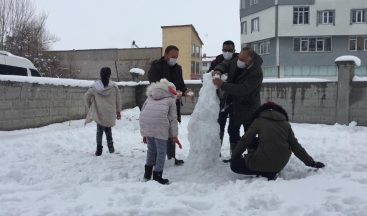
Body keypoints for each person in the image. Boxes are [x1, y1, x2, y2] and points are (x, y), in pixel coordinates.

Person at [230, 102, 325, 180]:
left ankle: (264, 172)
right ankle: (269, 170)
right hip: (279, 165)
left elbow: (245, 141)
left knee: (234, 165)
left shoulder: (259, 121)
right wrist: (312, 163)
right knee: (259, 141)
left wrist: (234, 156)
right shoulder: (286, 124)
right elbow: (296, 146)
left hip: (262, 164)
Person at [212, 47, 263, 159]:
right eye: (239, 57)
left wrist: (222, 84)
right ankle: (235, 157)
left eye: (243, 59)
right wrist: (218, 70)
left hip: (249, 107)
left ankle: (252, 158)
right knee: (233, 130)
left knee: (250, 133)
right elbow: (225, 64)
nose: (239, 61)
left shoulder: (256, 72)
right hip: (235, 105)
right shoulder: (237, 61)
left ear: (251, 59)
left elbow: (243, 89)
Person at [148, 45, 194, 166]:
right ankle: (157, 158)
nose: (175, 59)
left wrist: (185, 91)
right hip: (159, 105)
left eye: (176, 57)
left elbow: (181, 85)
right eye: (173, 56)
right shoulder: (156, 67)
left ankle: (172, 157)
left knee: (172, 129)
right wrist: (173, 93)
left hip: (173, 105)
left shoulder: (177, 68)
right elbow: (155, 86)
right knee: (159, 131)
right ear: (166, 54)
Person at [139, 79, 180, 184]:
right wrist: (174, 135)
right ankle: (157, 175)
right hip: (160, 126)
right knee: (161, 152)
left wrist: (144, 133)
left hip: (148, 125)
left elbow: (143, 113)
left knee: (151, 150)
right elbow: (173, 119)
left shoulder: (150, 96)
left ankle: (147, 175)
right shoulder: (170, 100)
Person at [84, 67, 122, 156]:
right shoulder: (114, 87)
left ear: (100, 75)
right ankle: (111, 148)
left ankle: (99, 150)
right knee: (108, 129)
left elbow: (86, 97)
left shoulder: (94, 87)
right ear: (110, 75)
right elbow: (118, 99)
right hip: (109, 112)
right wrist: (118, 111)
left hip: (99, 111)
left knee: (99, 131)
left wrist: (91, 107)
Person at [208, 40, 238, 145]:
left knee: (234, 129)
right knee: (219, 127)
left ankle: (234, 155)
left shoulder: (239, 60)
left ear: (234, 50)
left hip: (235, 100)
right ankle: (216, 152)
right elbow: (209, 75)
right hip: (220, 101)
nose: (227, 52)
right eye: (225, 50)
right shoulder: (217, 60)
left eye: (230, 50)